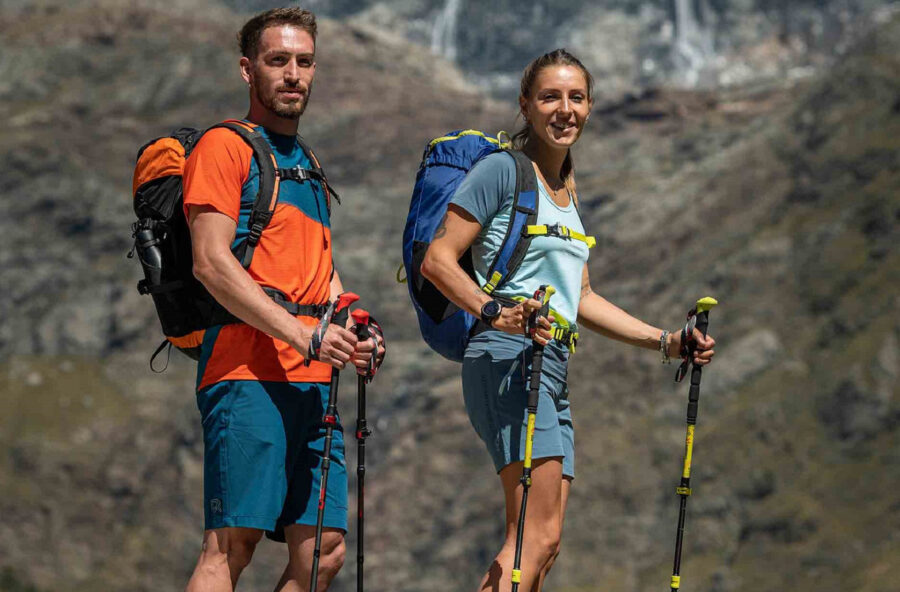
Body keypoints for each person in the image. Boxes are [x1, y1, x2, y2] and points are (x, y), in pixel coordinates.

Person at [421, 49, 716, 592]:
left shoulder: (566, 190)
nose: (565, 110)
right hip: (508, 358)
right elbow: (437, 259)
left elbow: (579, 296)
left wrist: (667, 342)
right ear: (525, 106)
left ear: (590, 106)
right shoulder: (500, 171)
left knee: (546, 541)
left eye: (576, 98)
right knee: (530, 539)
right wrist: (495, 310)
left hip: (552, 363)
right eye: (550, 97)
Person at [182, 8, 383, 592]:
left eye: (303, 62)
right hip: (246, 373)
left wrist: (353, 314)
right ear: (248, 70)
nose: (293, 74)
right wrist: (301, 333)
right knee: (231, 546)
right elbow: (211, 262)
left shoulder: (308, 164)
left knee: (323, 552)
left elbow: (319, 269)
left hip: (313, 381)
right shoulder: (226, 147)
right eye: (278, 61)